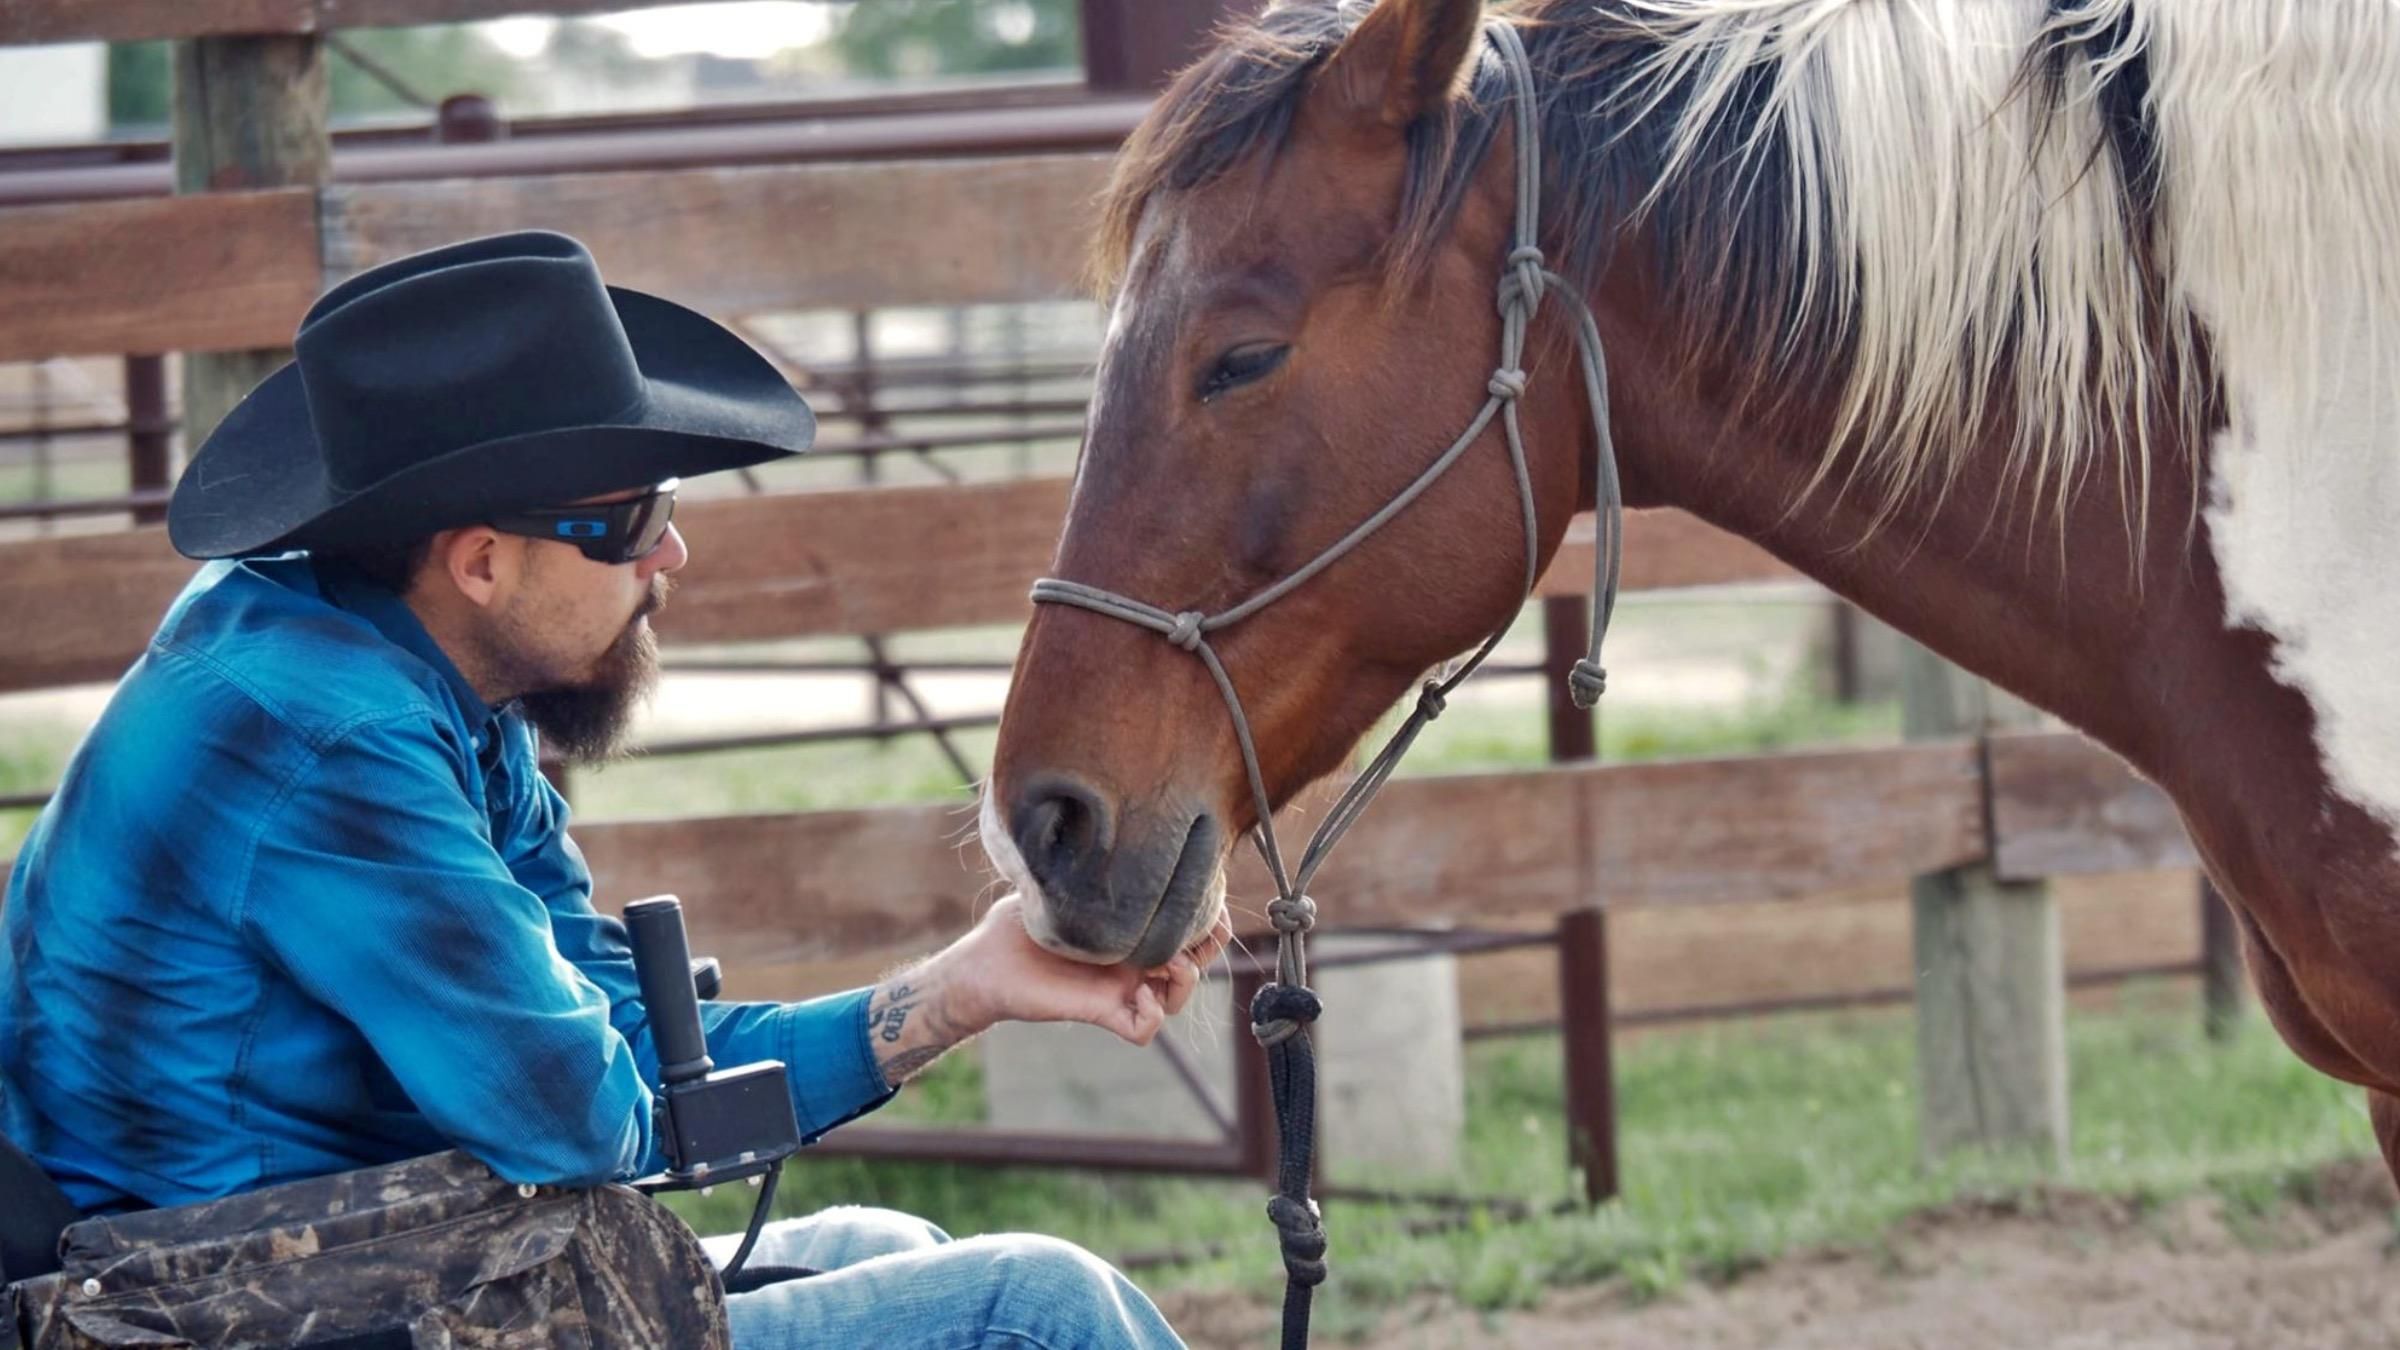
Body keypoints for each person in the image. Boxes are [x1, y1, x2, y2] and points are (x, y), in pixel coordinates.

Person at [0, 231, 1218, 1348]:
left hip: (365, 1269)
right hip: (228, 1311)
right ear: (480, 561)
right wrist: (646, 1070)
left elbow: (634, 1054)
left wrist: (968, 986)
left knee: (883, 1248)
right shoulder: (328, 738)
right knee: (1041, 1310)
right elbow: (579, 1118)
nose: (671, 553)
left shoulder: (413, 681)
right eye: (633, 517)